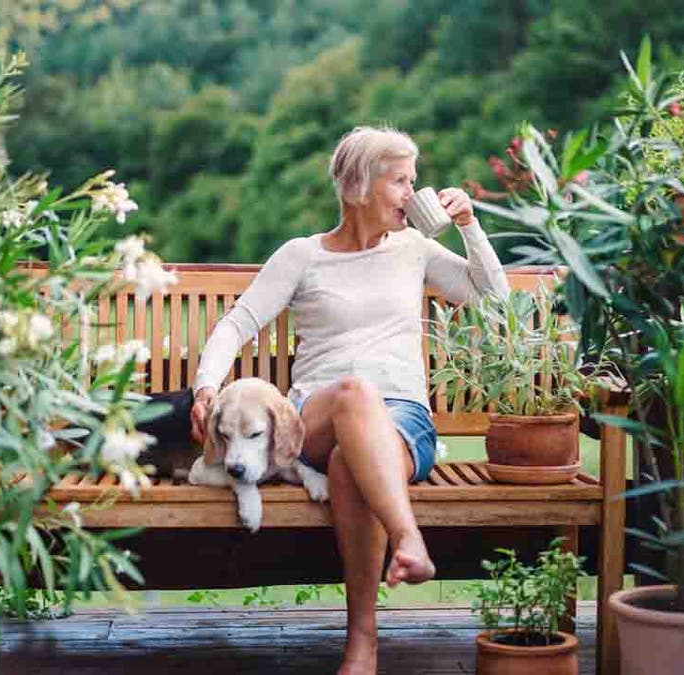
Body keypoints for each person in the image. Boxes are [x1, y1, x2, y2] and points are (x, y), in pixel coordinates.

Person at [190, 125, 509, 674]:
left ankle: (362, 646)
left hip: (402, 420)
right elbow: (237, 322)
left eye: (414, 180)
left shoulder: (415, 249)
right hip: (310, 418)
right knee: (354, 392)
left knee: (348, 463)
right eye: (401, 181)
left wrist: (469, 225)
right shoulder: (302, 256)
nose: (413, 193)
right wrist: (206, 385)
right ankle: (409, 538)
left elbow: (493, 298)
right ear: (359, 187)